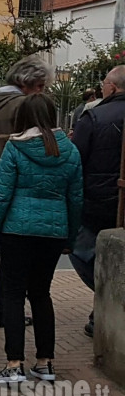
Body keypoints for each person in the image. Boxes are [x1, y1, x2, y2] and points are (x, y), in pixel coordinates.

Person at [0, 94, 82, 384]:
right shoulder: (70, 151)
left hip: (17, 231)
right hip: (54, 232)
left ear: (23, 117)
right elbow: (76, 199)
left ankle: (14, 363)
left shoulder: (14, 148)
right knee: (41, 293)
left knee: (13, 295)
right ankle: (45, 362)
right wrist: (70, 238)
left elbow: (0, 198)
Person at [0, 54, 54, 326]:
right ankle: (4, 309)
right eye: (41, 86)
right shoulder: (21, 106)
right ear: (29, 83)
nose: (43, 92)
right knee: (11, 251)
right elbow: (30, 146)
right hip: (6, 184)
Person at [71, 65, 125, 337]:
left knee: (81, 252)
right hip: (114, 199)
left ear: (112, 87)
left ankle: (109, 297)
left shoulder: (94, 117)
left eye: (104, 84)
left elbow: (76, 158)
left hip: (97, 200)